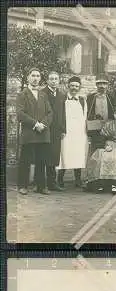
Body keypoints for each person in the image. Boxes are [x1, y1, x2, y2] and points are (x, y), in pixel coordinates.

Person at [16, 67, 53, 195]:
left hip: (43, 132)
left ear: (40, 79)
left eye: (38, 76)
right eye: (33, 75)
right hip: (29, 133)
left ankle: (41, 186)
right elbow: (20, 114)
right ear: (28, 78)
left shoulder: (44, 95)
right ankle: (23, 186)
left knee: (41, 160)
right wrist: (35, 124)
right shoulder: (22, 94)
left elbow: (50, 113)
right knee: (25, 160)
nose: (36, 78)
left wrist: (43, 124)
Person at [84, 107, 116, 193]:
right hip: (108, 144)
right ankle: (100, 183)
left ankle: (115, 184)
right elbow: (102, 137)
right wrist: (105, 146)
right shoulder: (108, 124)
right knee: (100, 156)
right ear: (113, 114)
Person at [57, 76, 88, 188]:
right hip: (66, 132)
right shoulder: (62, 99)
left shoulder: (82, 100)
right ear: (68, 86)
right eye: (72, 86)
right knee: (64, 154)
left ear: (79, 87)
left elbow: (85, 116)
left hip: (79, 132)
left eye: (76, 86)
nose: (74, 88)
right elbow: (59, 115)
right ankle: (60, 179)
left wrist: (85, 132)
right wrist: (61, 129)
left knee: (78, 154)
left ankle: (78, 179)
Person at [40, 71, 66, 192]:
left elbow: (63, 113)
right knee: (43, 155)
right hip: (45, 128)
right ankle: (40, 183)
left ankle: (52, 182)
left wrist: (63, 129)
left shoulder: (61, 95)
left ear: (59, 80)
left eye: (56, 79)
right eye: (51, 79)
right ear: (47, 81)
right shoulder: (42, 93)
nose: (54, 81)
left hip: (56, 130)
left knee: (54, 156)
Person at [86, 74, 114, 154]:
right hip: (95, 127)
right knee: (96, 148)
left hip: (108, 127)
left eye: (104, 83)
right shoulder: (91, 97)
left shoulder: (110, 97)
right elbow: (87, 112)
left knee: (108, 148)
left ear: (107, 85)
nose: (102, 86)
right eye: (99, 83)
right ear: (96, 85)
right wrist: (94, 117)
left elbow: (113, 111)